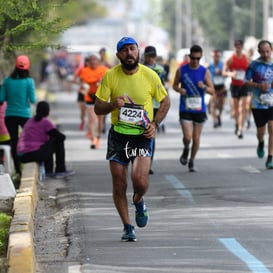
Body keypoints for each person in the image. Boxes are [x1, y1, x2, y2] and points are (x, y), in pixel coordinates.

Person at [94, 36, 170, 241]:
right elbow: (97, 107)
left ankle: (138, 200)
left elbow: (165, 101)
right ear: (118, 54)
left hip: (142, 136)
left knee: (140, 180)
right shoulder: (111, 76)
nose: (129, 53)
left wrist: (154, 124)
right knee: (119, 184)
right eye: (125, 50)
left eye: (133, 49)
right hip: (118, 135)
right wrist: (112, 105)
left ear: (138, 52)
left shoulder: (150, 75)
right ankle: (128, 226)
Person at [173, 44, 215, 172]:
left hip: (199, 109)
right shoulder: (181, 70)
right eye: (193, 58)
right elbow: (174, 85)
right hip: (185, 108)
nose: (195, 61)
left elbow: (212, 91)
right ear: (189, 57)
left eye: (198, 58)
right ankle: (186, 149)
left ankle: (191, 160)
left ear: (201, 58)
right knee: (188, 137)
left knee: (196, 138)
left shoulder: (204, 71)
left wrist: (204, 87)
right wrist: (180, 89)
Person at [0, 55, 36, 183]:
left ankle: (18, 170)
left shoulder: (7, 81)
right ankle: (26, 164)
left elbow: (1, 99)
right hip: (25, 115)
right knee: (27, 140)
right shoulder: (29, 81)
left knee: (14, 141)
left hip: (10, 115)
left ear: (15, 66)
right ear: (27, 67)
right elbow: (33, 100)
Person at [17, 101, 75, 178]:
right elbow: (61, 137)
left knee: (47, 145)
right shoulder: (45, 122)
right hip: (32, 153)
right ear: (48, 112)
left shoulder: (30, 121)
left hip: (22, 155)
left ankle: (49, 172)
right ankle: (60, 169)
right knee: (58, 143)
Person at [245, 40, 273, 169]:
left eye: (268, 51)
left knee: (272, 128)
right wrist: (258, 85)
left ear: (271, 50)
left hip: (271, 102)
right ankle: (261, 142)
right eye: (263, 51)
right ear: (259, 52)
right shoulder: (254, 65)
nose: (266, 54)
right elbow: (245, 81)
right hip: (258, 103)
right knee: (260, 131)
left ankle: (270, 157)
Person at [143, 45, 166, 175]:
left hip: (155, 105)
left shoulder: (160, 70)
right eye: (149, 56)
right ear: (145, 56)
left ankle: (149, 164)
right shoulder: (139, 68)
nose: (151, 59)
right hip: (142, 105)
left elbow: (162, 87)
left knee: (151, 135)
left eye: (153, 56)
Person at [79, 54, 108, 149]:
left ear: (98, 62)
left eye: (95, 60)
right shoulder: (85, 70)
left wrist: (101, 82)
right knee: (92, 119)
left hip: (101, 96)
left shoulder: (104, 70)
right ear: (89, 62)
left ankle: (98, 137)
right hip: (90, 96)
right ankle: (93, 139)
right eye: (91, 61)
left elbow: (108, 82)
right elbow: (82, 82)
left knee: (100, 119)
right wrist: (84, 85)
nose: (93, 62)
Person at [223, 40, 249, 138]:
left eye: (239, 47)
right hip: (234, 85)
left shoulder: (246, 58)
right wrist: (231, 74)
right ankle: (237, 124)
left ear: (242, 48)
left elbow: (251, 70)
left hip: (244, 85)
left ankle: (240, 129)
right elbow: (224, 72)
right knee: (236, 110)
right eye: (236, 47)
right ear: (234, 48)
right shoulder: (230, 59)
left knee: (242, 108)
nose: (237, 49)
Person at [208, 50, 227, 128]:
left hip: (221, 86)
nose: (216, 58)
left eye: (217, 57)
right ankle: (215, 120)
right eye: (214, 57)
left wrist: (222, 72)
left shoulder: (222, 65)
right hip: (213, 86)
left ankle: (219, 115)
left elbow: (226, 73)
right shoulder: (210, 65)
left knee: (221, 105)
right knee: (213, 104)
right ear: (212, 57)